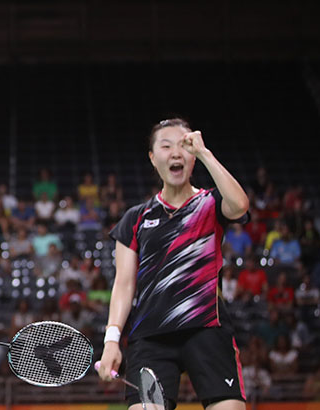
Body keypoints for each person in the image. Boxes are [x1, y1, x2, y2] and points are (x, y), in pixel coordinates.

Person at [98, 118, 250, 410]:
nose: (176, 153)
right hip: (151, 337)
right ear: (153, 159)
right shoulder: (136, 218)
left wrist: (206, 153)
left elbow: (240, 205)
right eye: (166, 146)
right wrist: (111, 340)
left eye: (184, 146)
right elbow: (124, 284)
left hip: (206, 327)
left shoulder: (210, 204)